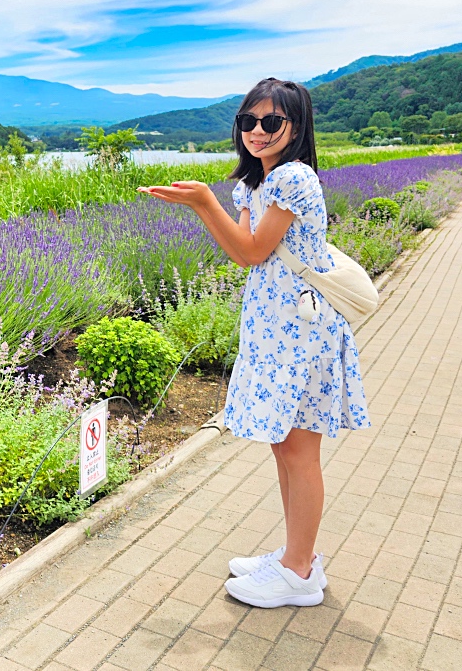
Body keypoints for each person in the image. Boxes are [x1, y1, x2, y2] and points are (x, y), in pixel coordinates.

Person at [138, 77, 370, 609]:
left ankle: (299, 572)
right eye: (249, 121)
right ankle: (296, 554)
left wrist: (202, 203)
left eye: (272, 122)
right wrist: (215, 204)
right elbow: (245, 252)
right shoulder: (255, 185)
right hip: (273, 331)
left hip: (302, 333)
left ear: (296, 127)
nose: (258, 131)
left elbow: (251, 250)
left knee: (299, 449)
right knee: (282, 445)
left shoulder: (294, 179)